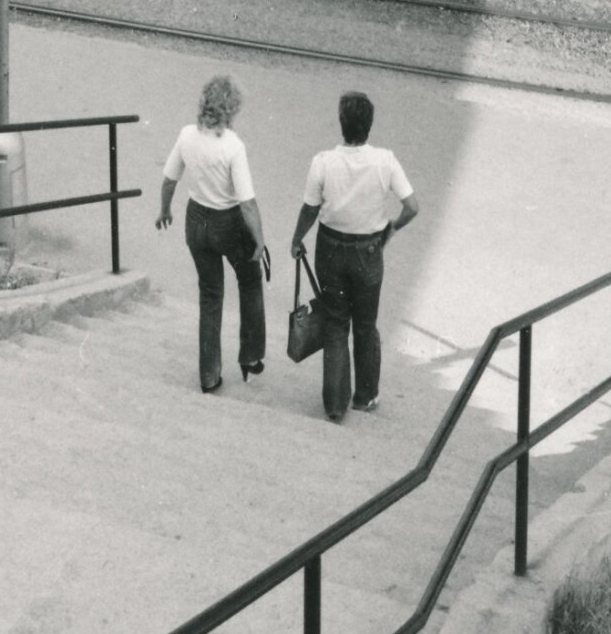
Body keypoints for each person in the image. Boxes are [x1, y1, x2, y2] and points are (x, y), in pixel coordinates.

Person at [290, 91, 419, 423]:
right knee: (366, 324)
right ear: (369, 125)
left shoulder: (323, 162)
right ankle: (365, 396)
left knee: (336, 324)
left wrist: (296, 238)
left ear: (341, 124)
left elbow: (310, 209)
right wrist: (390, 230)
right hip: (368, 251)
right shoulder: (385, 161)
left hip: (330, 248)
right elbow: (412, 206)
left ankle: (335, 405)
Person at [157, 75, 267, 393]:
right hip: (229, 222)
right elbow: (247, 203)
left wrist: (165, 210)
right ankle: (250, 355)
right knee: (250, 281)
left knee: (210, 295)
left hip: (196, 220)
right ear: (231, 109)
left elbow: (169, 180)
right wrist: (259, 239)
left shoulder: (186, 135)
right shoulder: (233, 146)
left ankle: (209, 375)